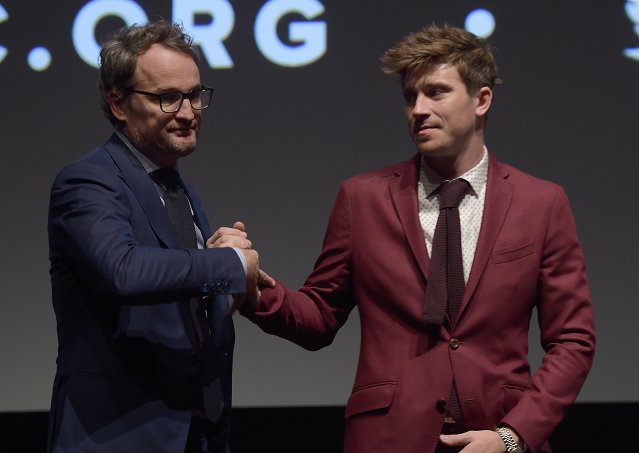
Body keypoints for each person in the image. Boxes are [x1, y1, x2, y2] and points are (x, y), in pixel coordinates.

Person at [214, 24, 596, 452]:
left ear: (482, 100)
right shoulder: (363, 198)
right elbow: (319, 316)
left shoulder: (540, 203)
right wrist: (252, 288)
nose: (418, 109)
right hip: (389, 438)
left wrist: (512, 436)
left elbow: (573, 340)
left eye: (436, 93)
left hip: (499, 436)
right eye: (410, 96)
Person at [46, 20, 265, 453]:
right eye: (168, 98)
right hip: (117, 435)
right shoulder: (88, 180)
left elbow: (181, 301)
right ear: (119, 103)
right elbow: (124, 271)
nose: (188, 112)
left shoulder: (179, 190)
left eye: (195, 95)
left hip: (194, 432)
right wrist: (231, 265)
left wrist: (227, 288)